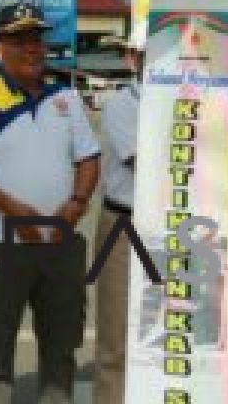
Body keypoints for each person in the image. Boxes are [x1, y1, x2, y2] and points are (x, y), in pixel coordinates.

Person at [0, 3, 101, 404]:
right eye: (19, 40)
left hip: (61, 245)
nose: (31, 49)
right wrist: (15, 211)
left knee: (61, 346)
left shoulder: (67, 97)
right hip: (0, 244)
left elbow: (88, 157)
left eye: (36, 39)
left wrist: (77, 203)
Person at [93, 24, 145, 404]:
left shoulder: (191, 101)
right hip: (125, 224)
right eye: (147, 55)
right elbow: (145, 164)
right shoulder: (122, 104)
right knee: (118, 336)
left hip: (179, 222)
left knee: (170, 331)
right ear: (132, 58)